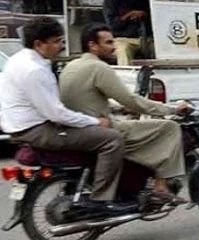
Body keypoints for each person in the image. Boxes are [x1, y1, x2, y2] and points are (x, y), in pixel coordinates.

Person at [0, 16, 126, 212]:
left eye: (62, 41)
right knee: (112, 139)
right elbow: (56, 114)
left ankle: (80, 183)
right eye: (57, 41)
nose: (61, 46)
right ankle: (101, 200)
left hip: (21, 127)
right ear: (39, 44)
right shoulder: (34, 70)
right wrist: (95, 121)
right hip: (38, 130)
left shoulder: (18, 59)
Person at [59, 23, 189, 204]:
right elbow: (131, 100)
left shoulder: (71, 65)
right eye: (108, 42)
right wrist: (171, 109)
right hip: (102, 130)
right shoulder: (99, 68)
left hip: (80, 128)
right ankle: (161, 186)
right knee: (169, 128)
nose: (113, 46)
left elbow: (87, 98)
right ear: (93, 45)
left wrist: (117, 108)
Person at [103, 0, 152, 65]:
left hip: (148, 38)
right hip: (124, 39)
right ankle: (125, 74)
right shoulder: (111, 2)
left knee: (162, 50)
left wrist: (144, 15)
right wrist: (128, 16)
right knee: (123, 50)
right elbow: (112, 25)